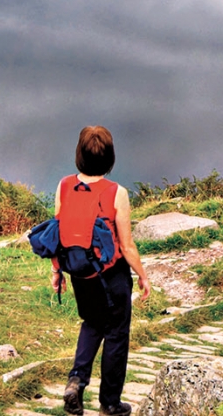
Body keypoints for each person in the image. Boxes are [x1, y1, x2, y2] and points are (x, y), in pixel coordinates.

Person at [58, 126, 152, 416]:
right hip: (111, 276)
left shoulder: (64, 185)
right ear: (110, 158)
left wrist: (57, 272)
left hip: (80, 273)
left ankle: (77, 380)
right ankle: (110, 403)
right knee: (115, 333)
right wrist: (143, 276)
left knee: (91, 323)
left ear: (79, 155)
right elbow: (127, 245)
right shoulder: (116, 193)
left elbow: (58, 233)